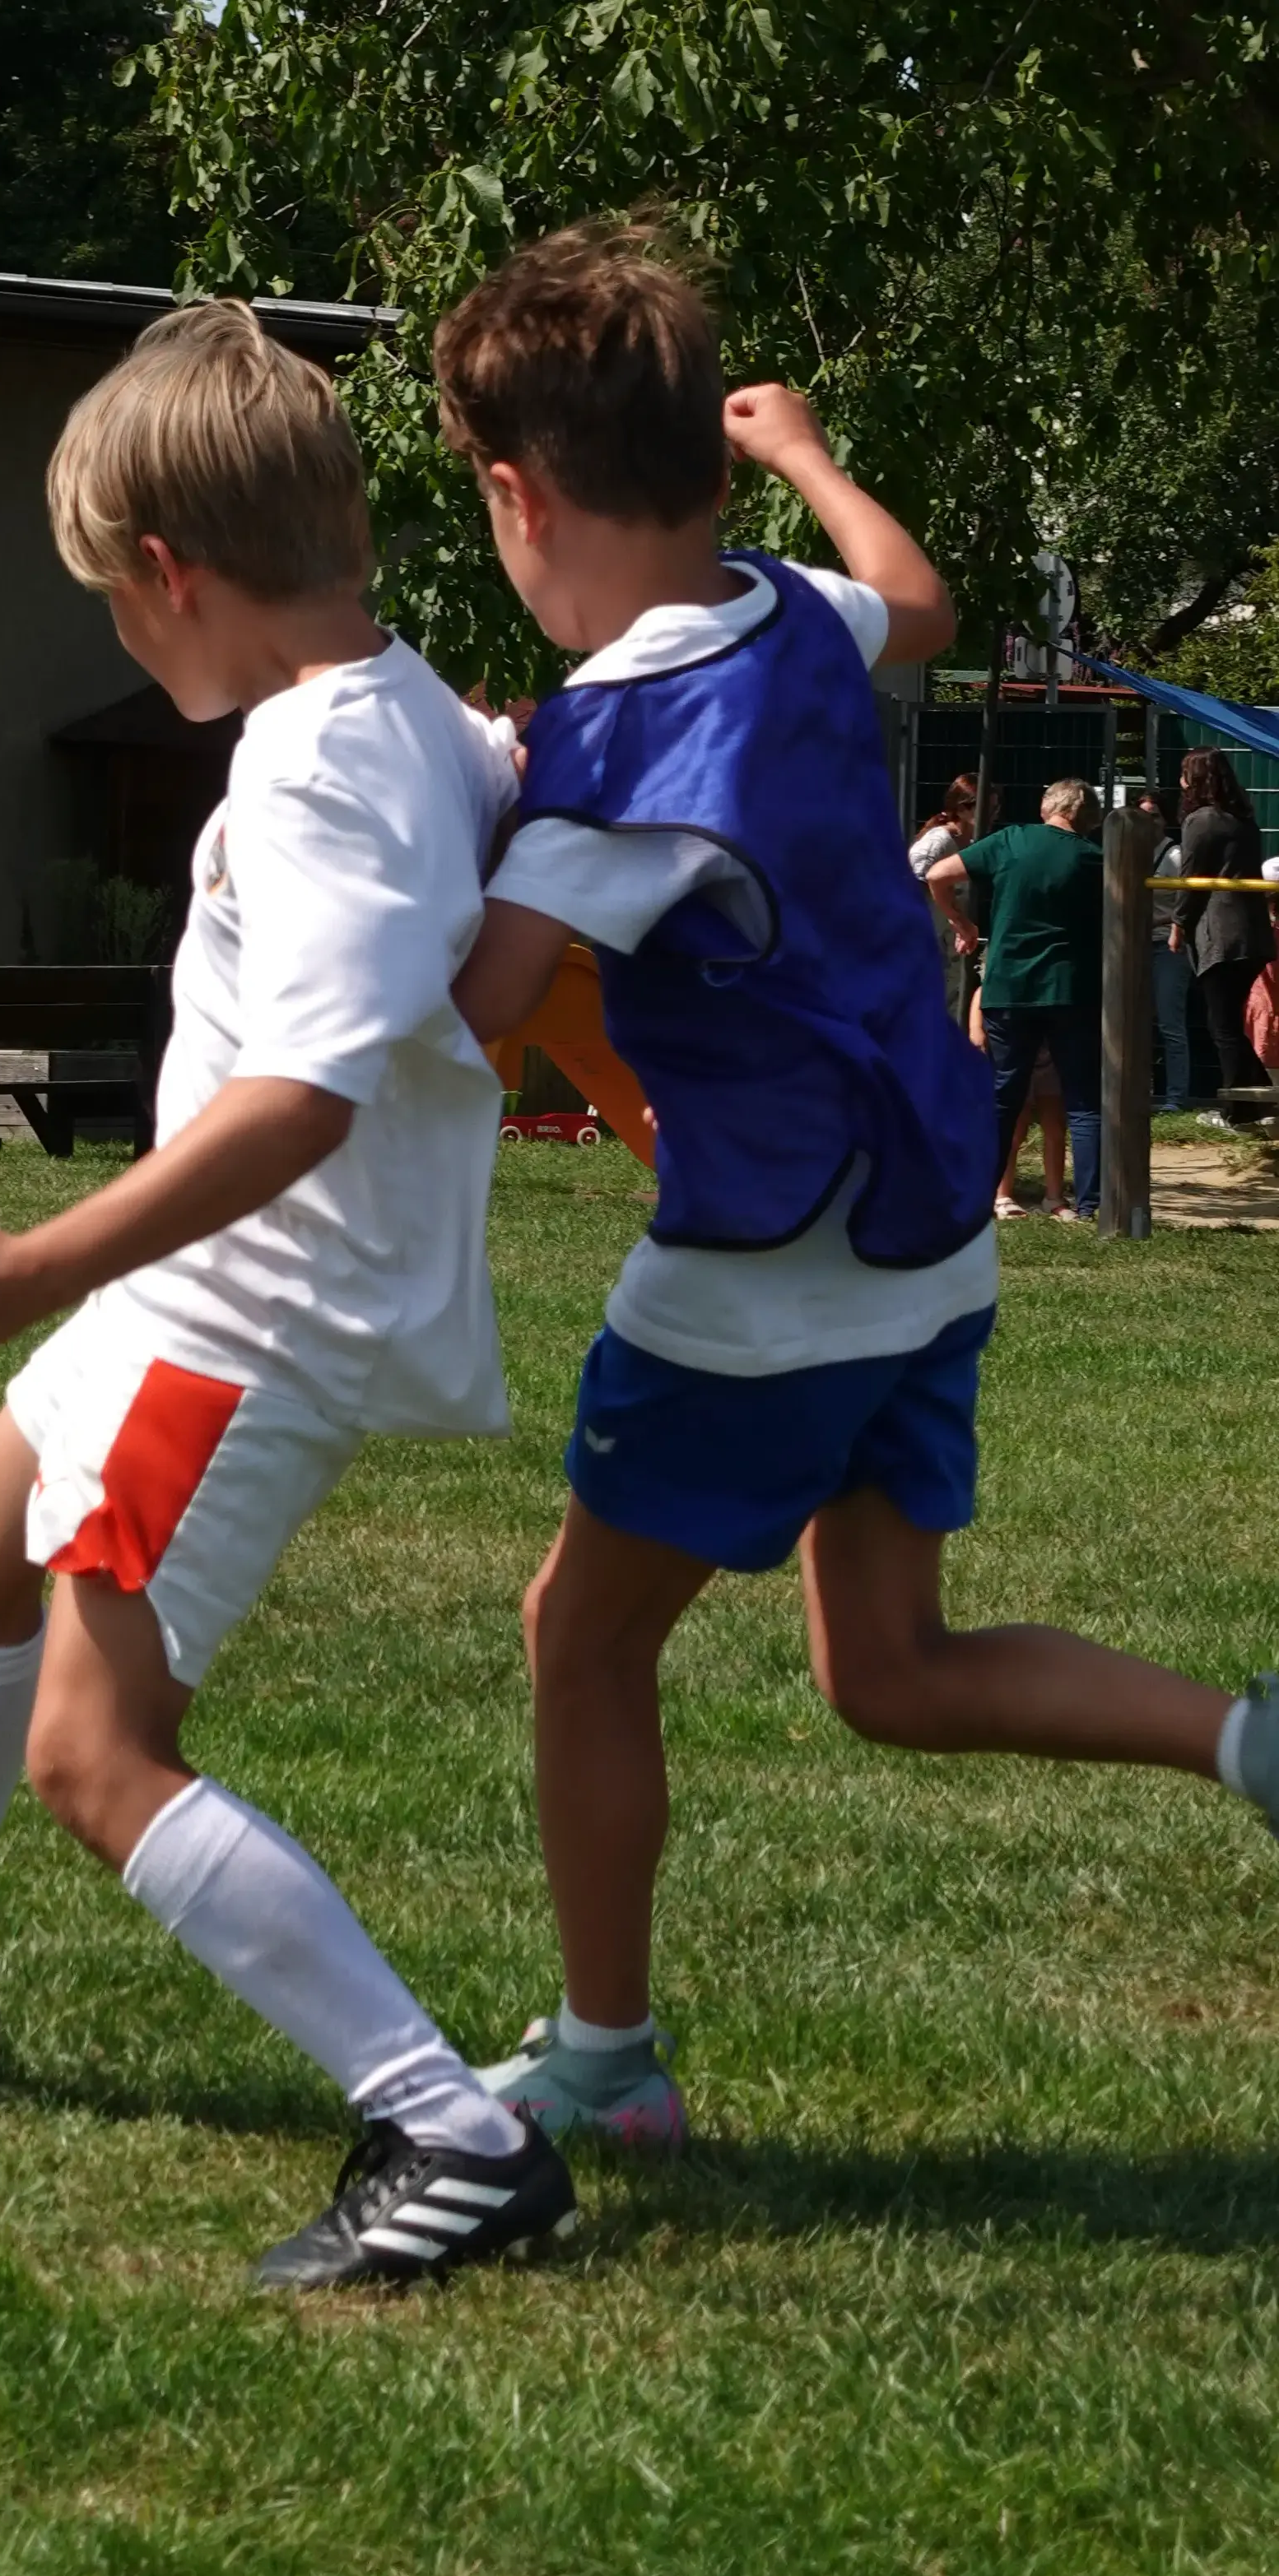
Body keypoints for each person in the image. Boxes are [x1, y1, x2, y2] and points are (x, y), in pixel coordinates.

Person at [435, 220, 1279, 2149]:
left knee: (581, 1634)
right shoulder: (783, 610)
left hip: (764, 1270)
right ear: (710, 469)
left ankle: (605, 2060)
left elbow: (478, 1011)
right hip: (930, 1232)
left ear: (519, 497)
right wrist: (810, 453)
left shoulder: (608, 743)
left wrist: (448, 816)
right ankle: (1250, 1736)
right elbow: (918, 594)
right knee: (887, 1666)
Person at [0, 299, 578, 2289]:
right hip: (192, 1303)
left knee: (95, 1747)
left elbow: (304, 1099)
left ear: (168, 573)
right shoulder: (407, 713)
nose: (121, 637)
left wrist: (36, 1262)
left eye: (112, 600)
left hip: (237, 1321)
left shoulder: (321, 770)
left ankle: (448, 2127)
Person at [926, 779, 1105, 1220]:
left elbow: (936, 875)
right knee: (1082, 1100)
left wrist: (961, 922)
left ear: (1049, 806)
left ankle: (980, 1197)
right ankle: (1092, 1204)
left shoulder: (1011, 840)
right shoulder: (1094, 858)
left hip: (1009, 987)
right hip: (1069, 989)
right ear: (1088, 817)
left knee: (1004, 1096)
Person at [1170, 745, 1271, 1128]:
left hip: (1222, 935)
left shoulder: (1202, 820)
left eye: (1185, 773)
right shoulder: (1243, 819)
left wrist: (1178, 924)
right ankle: (1260, 1102)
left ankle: (1239, 1110)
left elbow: (1192, 879)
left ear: (1196, 779)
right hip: (1252, 933)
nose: (1180, 781)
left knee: (1223, 1026)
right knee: (1228, 1023)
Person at [1136, 790, 1196, 1112]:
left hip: (1166, 946)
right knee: (1134, 1024)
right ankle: (1138, 1094)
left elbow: (1187, 905)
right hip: (1134, 948)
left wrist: (1154, 919)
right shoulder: (1130, 852)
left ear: (1165, 820)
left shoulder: (1175, 856)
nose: (1148, 822)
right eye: (1142, 815)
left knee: (1170, 1024)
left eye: (1155, 815)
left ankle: (1175, 1099)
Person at [906, 776, 975, 1019]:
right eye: (986, 807)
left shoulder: (970, 843)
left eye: (996, 808)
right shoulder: (938, 843)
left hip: (950, 951)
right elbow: (913, 884)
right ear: (962, 809)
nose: (993, 815)